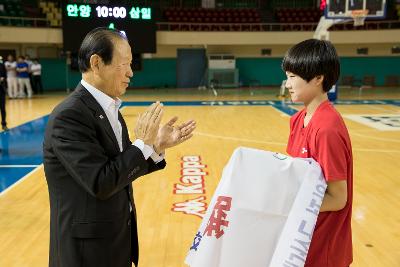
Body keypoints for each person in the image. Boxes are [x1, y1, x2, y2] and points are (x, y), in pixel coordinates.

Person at [43, 27, 196, 267]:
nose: (131, 73)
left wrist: (155, 146)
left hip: (115, 243)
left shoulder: (109, 107)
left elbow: (121, 169)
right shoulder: (69, 116)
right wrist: (142, 143)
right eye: (124, 64)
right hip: (86, 253)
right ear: (96, 63)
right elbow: (101, 182)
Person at [283, 39, 352, 267]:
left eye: (293, 76)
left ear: (318, 78)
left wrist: (288, 203)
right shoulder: (298, 120)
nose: (287, 83)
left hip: (324, 249)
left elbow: (338, 198)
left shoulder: (327, 129)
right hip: (302, 241)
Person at [0, 56, 8, 130]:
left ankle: (4, 124)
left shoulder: (2, 65)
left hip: (1, 89)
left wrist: (3, 78)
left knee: (2, 108)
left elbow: (5, 75)